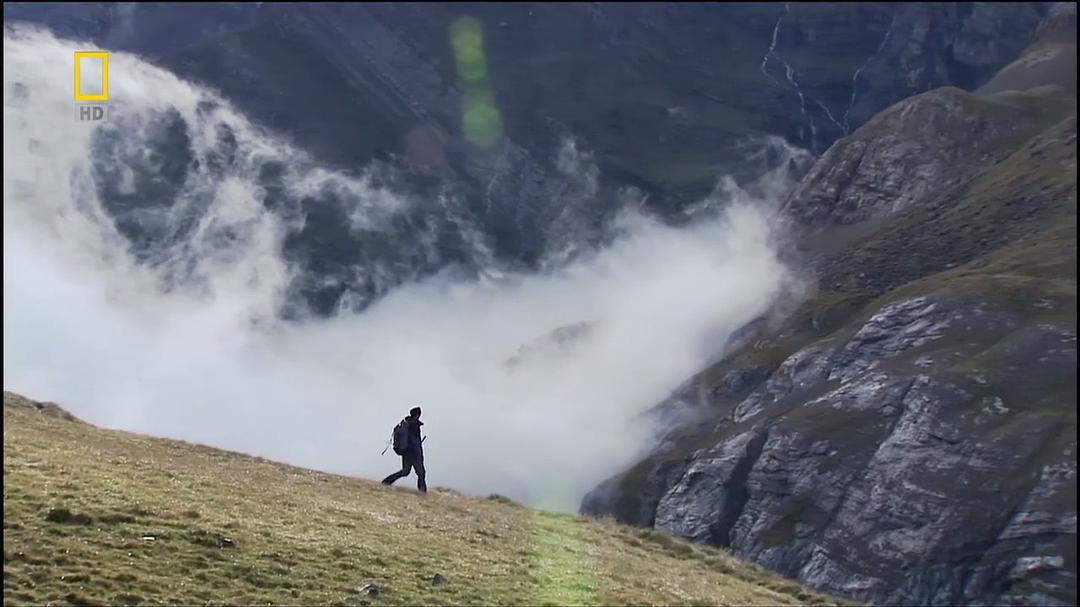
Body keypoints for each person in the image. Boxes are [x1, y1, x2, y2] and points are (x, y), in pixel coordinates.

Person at [382, 406, 426, 492]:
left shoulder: (406, 423)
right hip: (414, 454)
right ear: (417, 415)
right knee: (421, 474)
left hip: (405, 452)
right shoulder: (414, 426)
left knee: (405, 471)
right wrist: (420, 455)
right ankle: (422, 492)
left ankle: (387, 481)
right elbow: (415, 442)